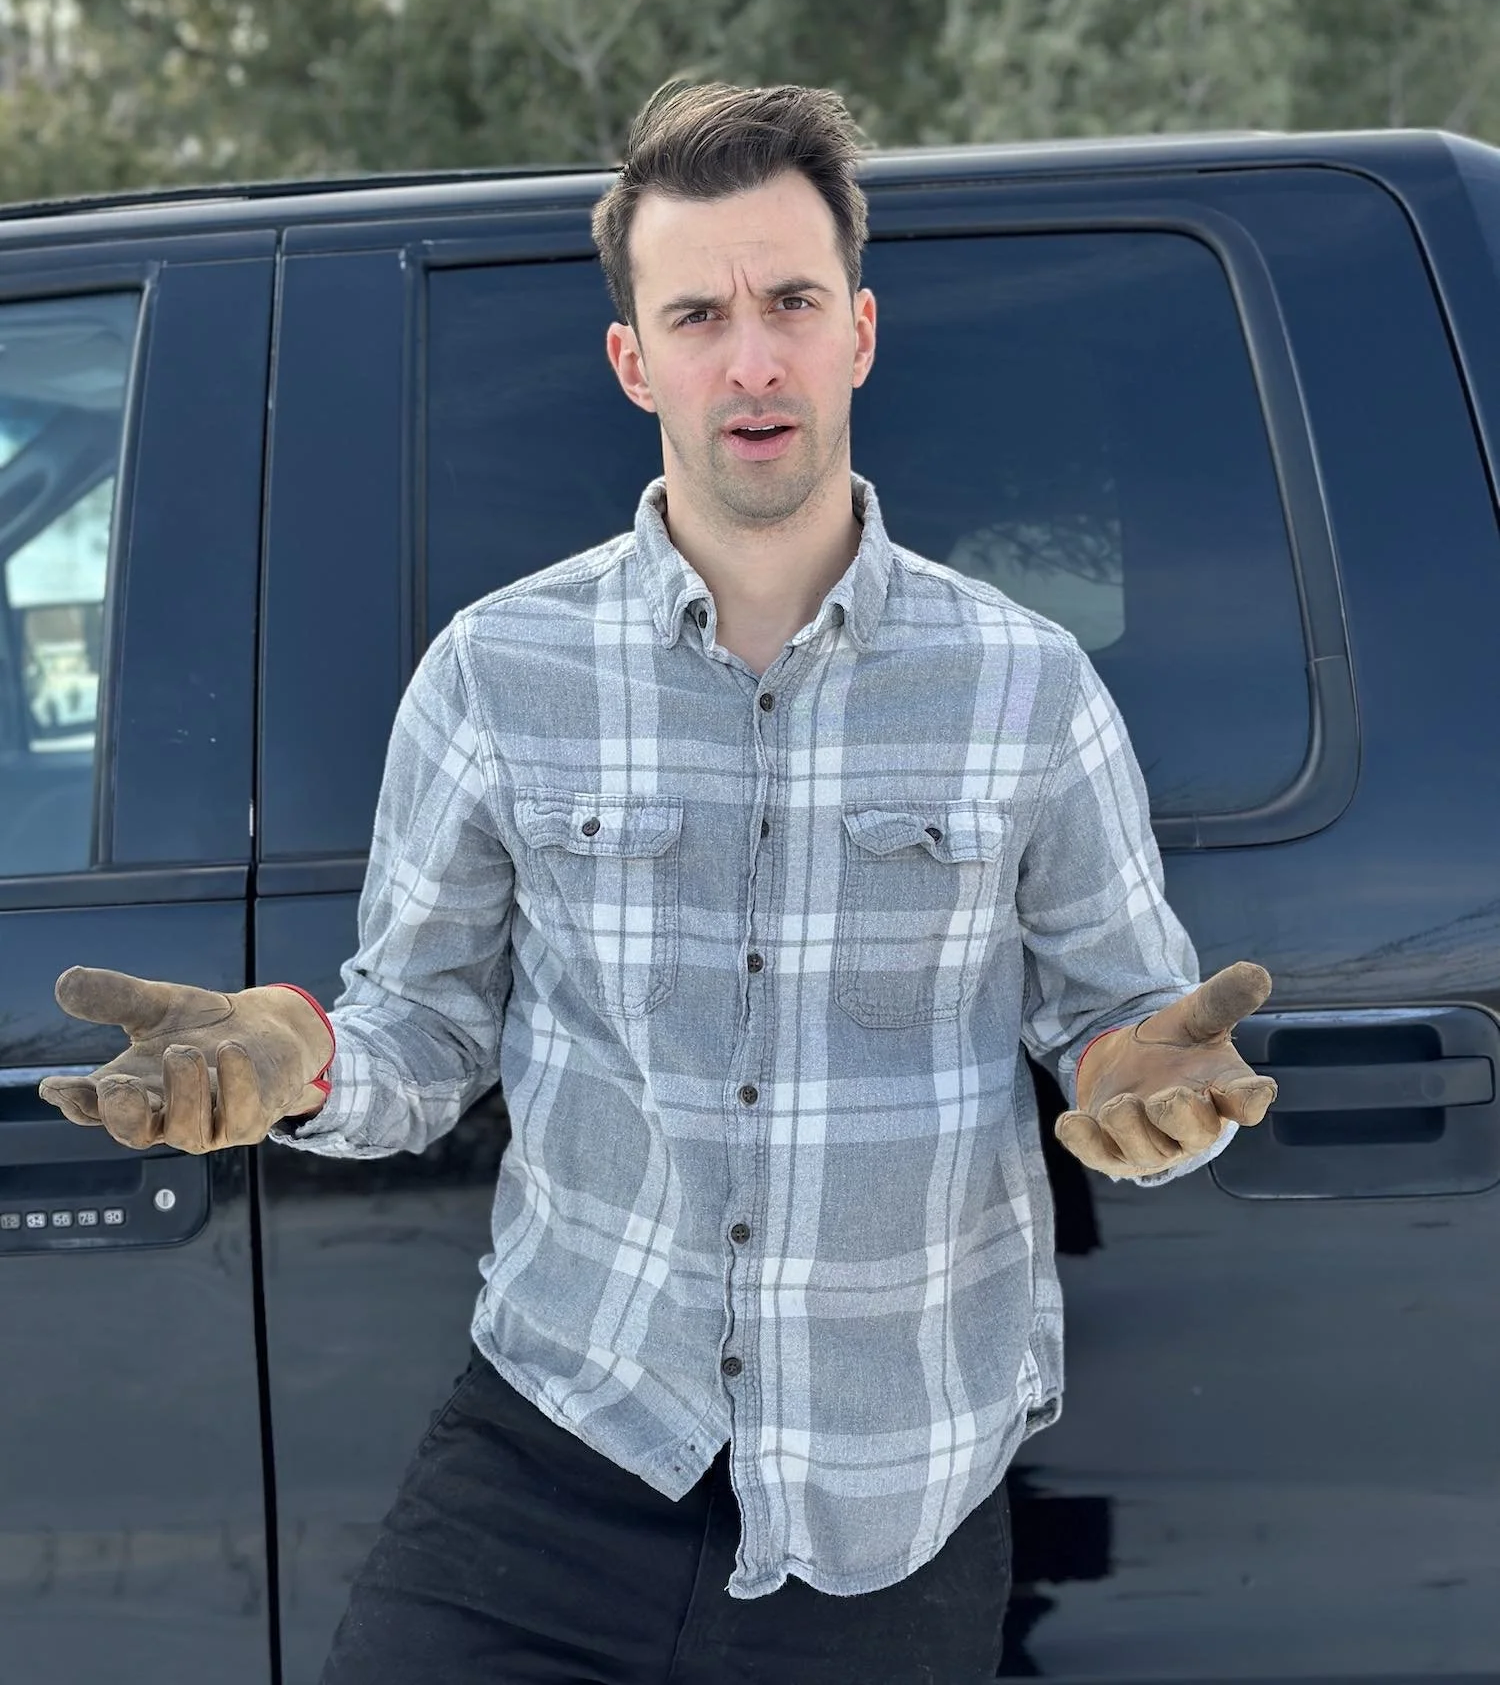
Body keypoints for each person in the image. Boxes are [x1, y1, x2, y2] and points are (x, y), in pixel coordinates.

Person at [39, 81, 1277, 1685]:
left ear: (860, 335)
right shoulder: (495, 672)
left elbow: (1118, 1023)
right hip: (564, 1444)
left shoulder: (1026, 691)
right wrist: (297, 1060)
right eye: (698, 313)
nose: (749, 357)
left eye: (790, 303)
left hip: (892, 1499)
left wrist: (1149, 1087)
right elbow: (419, 1025)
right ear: (636, 359)